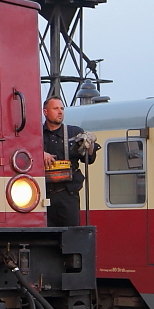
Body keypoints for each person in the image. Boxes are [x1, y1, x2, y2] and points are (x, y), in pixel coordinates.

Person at [42, 95, 99, 227]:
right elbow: (22, 152)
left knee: (71, 232)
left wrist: (90, 144)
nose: (60, 112)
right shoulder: (36, 135)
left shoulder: (75, 133)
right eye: (55, 108)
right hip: (42, 194)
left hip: (68, 194)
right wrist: (39, 153)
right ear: (45, 112)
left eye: (62, 108)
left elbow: (89, 159)